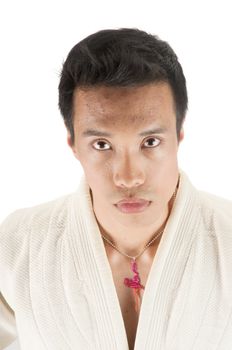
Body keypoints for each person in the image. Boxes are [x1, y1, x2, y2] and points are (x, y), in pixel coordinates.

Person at [0, 28, 231, 350]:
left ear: (179, 136)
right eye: (102, 144)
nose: (128, 177)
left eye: (150, 142)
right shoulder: (18, 244)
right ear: (73, 145)